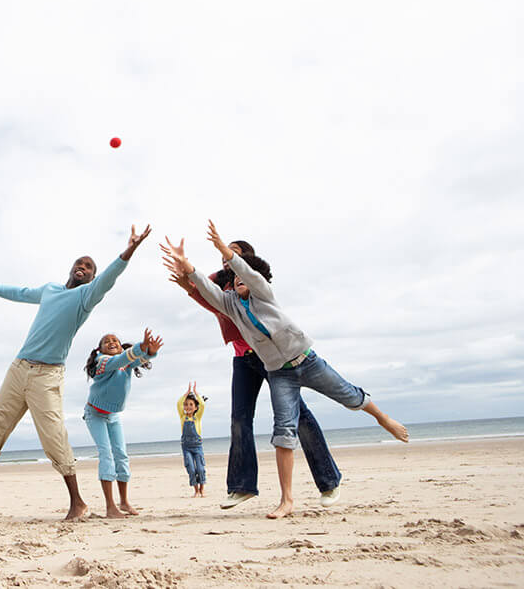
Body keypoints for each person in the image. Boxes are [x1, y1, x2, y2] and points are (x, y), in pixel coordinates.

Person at [162, 221, 408, 520]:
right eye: (232, 272)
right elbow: (208, 289)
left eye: (239, 266)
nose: (235, 273)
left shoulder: (263, 291)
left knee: (347, 396)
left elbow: (249, 273)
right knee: (283, 431)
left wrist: (222, 247)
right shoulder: (230, 303)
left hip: (307, 360)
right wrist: (187, 267)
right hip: (277, 371)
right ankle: (285, 499)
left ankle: (383, 421)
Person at [0, 225, 153, 520]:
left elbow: (110, 278)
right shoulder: (50, 290)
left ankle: (77, 502)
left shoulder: (87, 297)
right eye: (79, 263)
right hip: (19, 367)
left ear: (91, 277)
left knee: (53, 436)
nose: (82, 268)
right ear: (71, 268)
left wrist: (129, 250)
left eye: (88, 267)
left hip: (47, 376)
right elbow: (20, 293)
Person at [166, 240, 342, 510]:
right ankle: (242, 487)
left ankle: (328, 482)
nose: (227, 256)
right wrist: (186, 284)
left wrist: (193, 286)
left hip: (272, 358)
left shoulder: (254, 281)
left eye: (234, 252)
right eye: (225, 253)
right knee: (239, 418)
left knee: (301, 417)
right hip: (242, 358)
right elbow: (209, 298)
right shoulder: (222, 281)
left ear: (247, 257)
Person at [82, 328, 162, 518]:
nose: (112, 342)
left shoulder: (125, 363)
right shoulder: (103, 362)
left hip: (113, 415)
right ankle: (110, 507)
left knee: (122, 456)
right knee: (106, 455)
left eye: (116, 341)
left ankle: (124, 502)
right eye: (107, 341)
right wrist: (140, 347)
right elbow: (120, 360)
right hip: (95, 414)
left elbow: (140, 360)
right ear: (99, 350)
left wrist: (150, 351)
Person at [178, 381, 206, 497]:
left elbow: (202, 404)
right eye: (186, 405)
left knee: (200, 468)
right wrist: (186, 393)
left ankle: (202, 489)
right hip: (186, 447)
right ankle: (195, 490)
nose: (187, 407)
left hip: (197, 446)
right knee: (191, 469)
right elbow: (178, 403)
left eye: (190, 404)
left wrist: (195, 392)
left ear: (195, 407)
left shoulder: (197, 417)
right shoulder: (182, 416)